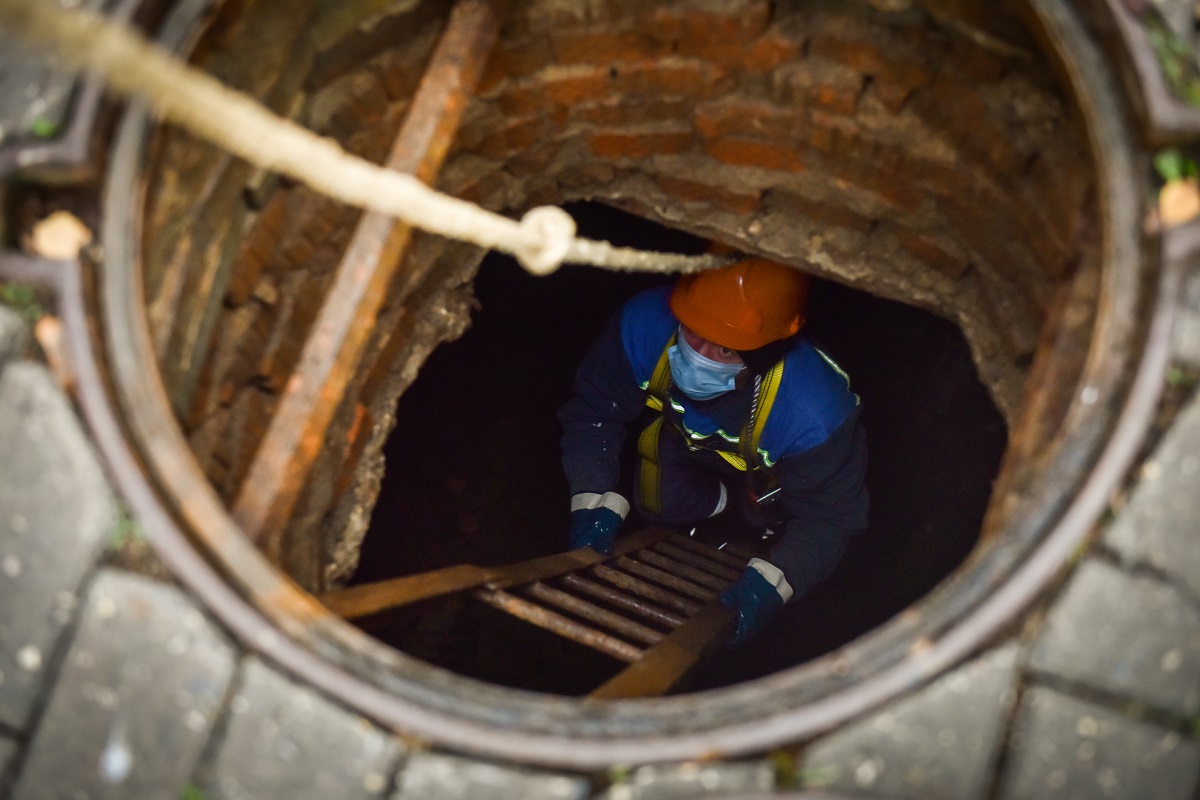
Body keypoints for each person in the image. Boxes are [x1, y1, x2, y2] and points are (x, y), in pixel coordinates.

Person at [557, 256, 868, 644]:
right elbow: (594, 412)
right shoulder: (643, 325)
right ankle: (716, 508)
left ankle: (746, 516)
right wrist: (591, 492)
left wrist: (776, 581)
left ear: (769, 347)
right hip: (681, 442)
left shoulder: (814, 411)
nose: (698, 356)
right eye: (693, 331)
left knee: (761, 515)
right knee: (656, 503)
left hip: (765, 474)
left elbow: (831, 518)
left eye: (725, 349)